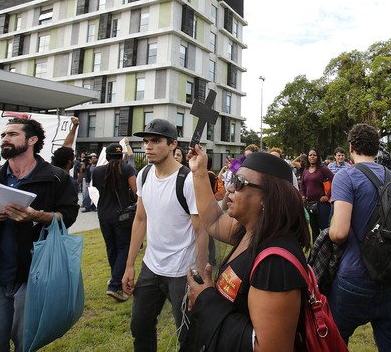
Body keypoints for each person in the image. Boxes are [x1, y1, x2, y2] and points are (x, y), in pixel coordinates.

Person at [0, 117, 79, 352]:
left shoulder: (56, 178)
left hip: (33, 275)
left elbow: (69, 216)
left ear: (32, 140)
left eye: (12, 134)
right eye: (3, 135)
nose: (5, 139)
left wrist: (37, 216)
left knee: (27, 344)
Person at [183, 149, 311, 351]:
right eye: (232, 179)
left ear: (267, 198)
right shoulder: (250, 231)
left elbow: (269, 348)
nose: (229, 188)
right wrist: (199, 172)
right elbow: (213, 221)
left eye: (239, 182)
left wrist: (206, 301)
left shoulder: (276, 263)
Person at [122, 119, 207, 349]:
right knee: (140, 327)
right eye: (146, 141)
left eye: (156, 141)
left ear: (172, 145)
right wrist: (130, 265)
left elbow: (201, 231)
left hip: (182, 271)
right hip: (151, 266)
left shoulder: (188, 180)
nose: (148, 146)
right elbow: (140, 219)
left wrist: (199, 276)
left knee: (188, 334)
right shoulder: (144, 175)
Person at [328, 123, 391, 351]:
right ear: (377, 147)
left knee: (335, 340)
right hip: (389, 277)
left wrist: (329, 230)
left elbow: (339, 233)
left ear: (350, 147)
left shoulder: (345, 177)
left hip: (354, 276)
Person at [92, 143, 137, 302]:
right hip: (122, 215)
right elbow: (135, 190)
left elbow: (97, 188)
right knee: (124, 248)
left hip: (103, 214)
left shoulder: (97, 171)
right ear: (121, 155)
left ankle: (116, 279)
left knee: (111, 247)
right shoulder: (127, 169)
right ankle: (115, 284)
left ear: (107, 156)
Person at [299, 148, 334, 242]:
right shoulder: (306, 170)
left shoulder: (323, 169)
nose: (312, 157)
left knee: (324, 230)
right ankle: (315, 252)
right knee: (314, 230)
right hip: (310, 204)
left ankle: (326, 253)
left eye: (314, 155)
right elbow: (302, 184)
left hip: (322, 204)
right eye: (310, 155)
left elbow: (335, 180)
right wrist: (302, 195)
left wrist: (327, 196)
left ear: (318, 157)